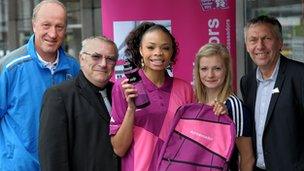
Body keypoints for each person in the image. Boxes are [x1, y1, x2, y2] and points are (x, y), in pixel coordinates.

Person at [0, 0, 80, 170]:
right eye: (46, 25)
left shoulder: (74, 68)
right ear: (34, 25)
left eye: (59, 27)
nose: (52, 33)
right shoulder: (10, 67)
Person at [109, 22, 194, 171]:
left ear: (172, 52)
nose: (158, 53)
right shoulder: (124, 86)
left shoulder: (185, 89)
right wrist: (131, 109)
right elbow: (119, 149)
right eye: (151, 47)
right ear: (140, 50)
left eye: (165, 48)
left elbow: (193, 141)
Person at [39, 36, 120, 171]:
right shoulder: (59, 96)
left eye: (110, 59)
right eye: (96, 57)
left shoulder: (119, 93)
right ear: (82, 59)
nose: (103, 64)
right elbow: (52, 157)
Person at [241, 15, 304, 170]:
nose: (260, 46)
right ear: (247, 46)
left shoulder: (299, 75)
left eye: (267, 38)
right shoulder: (247, 82)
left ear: (280, 42)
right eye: (253, 40)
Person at [193, 43, 255, 171]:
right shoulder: (196, 103)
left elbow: (247, 158)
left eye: (217, 68)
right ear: (197, 71)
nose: (210, 75)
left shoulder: (234, 106)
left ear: (226, 70)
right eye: (204, 68)